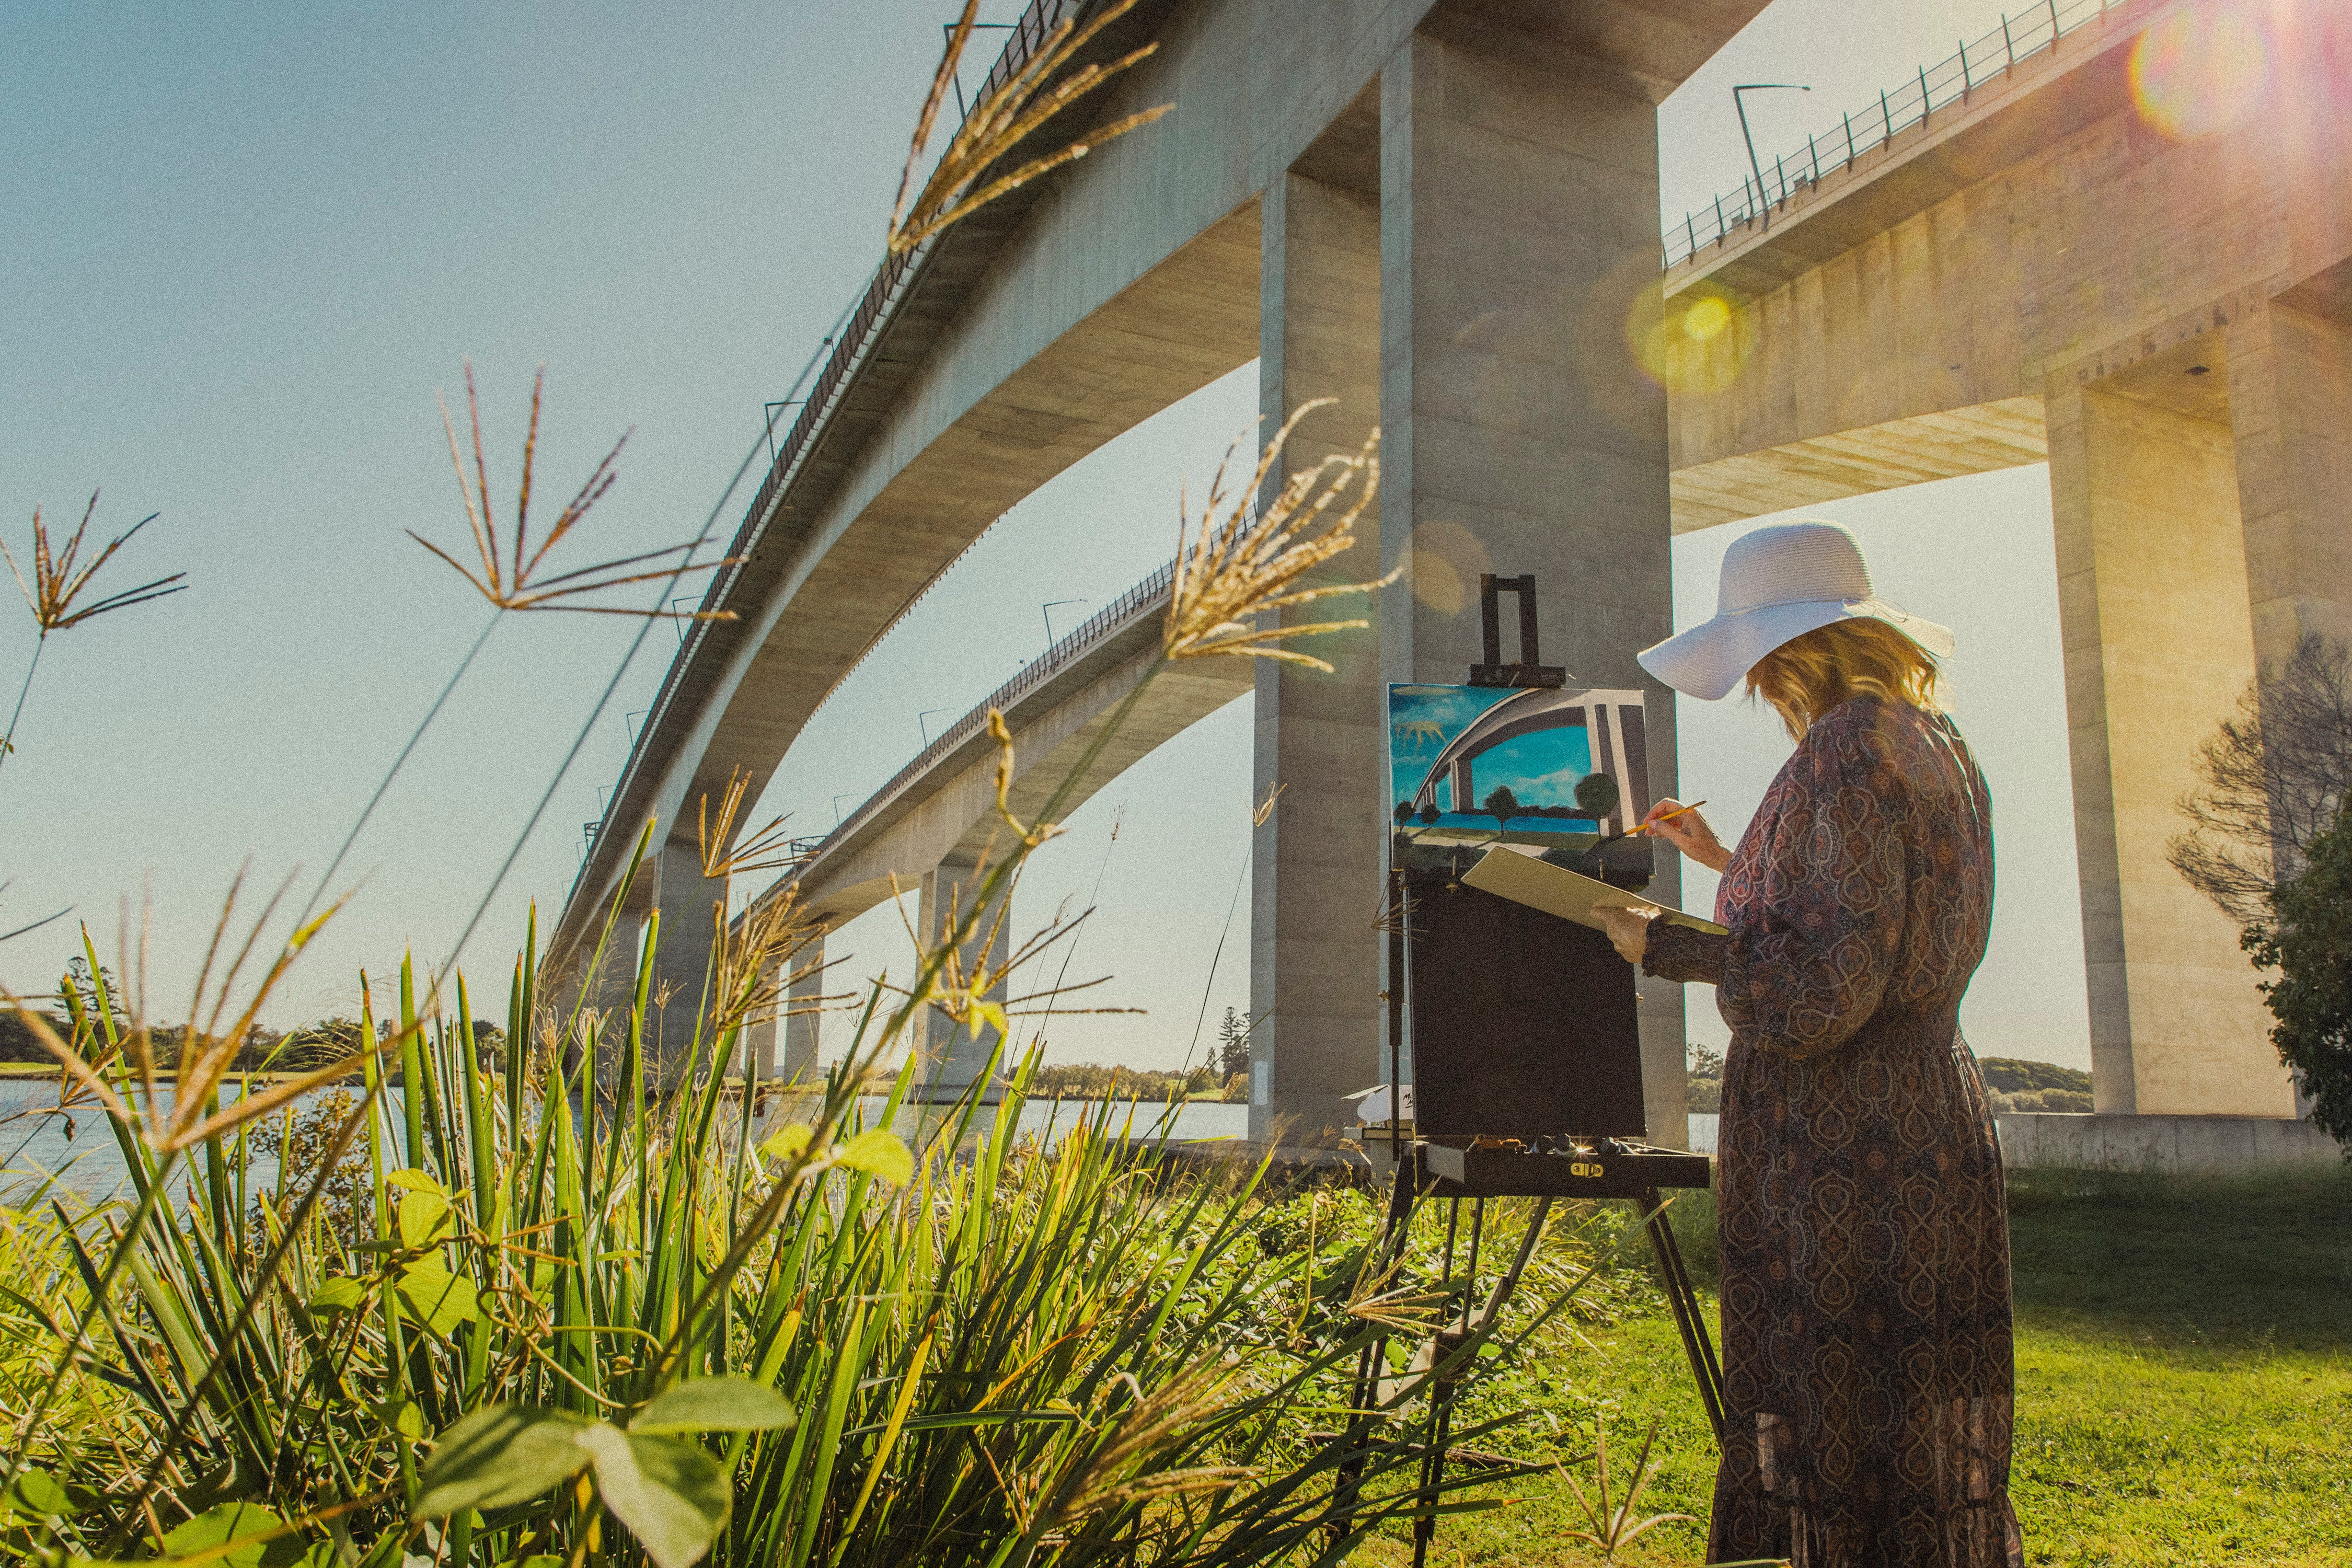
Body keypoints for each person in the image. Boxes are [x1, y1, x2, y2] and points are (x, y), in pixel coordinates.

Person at [1593, 520, 2021, 1568]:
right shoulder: (1935, 742)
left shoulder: (1840, 745)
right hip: (1932, 1118)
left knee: (1839, 1420)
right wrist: (1725, 854)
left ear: (1786, 657)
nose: (1760, 694)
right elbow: (1862, 914)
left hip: (1839, 1144)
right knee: (1909, 1419)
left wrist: (1661, 946)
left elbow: (1824, 990)